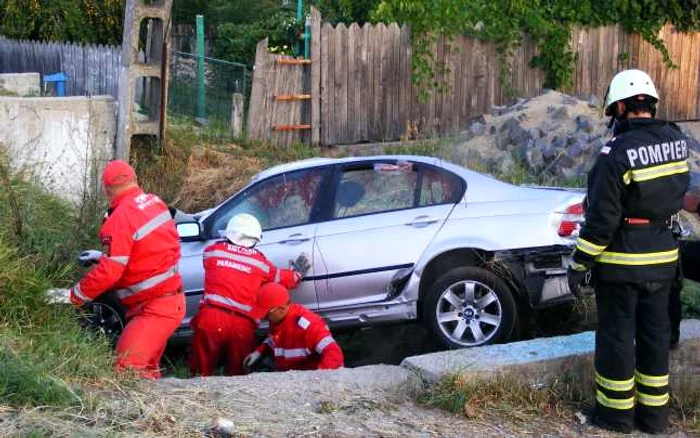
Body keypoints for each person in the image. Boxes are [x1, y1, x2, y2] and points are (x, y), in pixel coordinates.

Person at [567, 69, 690, 434]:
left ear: (621, 107)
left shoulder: (616, 153)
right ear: (650, 104)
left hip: (622, 264)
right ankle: (654, 419)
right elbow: (678, 192)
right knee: (654, 336)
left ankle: (615, 416)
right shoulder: (676, 140)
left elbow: (602, 219)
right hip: (664, 259)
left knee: (617, 337)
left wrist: (579, 263)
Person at [68, 159, 185, 379]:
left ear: (107, 189)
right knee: (146, 370)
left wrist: (74, 295)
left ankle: (146, 413)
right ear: (134, 179)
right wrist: (103, 256)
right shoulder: (154, 202)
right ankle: (155, 413)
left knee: (126, 368)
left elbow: (110, 272)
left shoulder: (119, 218)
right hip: (168, 303)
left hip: (155, 309)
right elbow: (147, 251)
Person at [189, 213, 311, 376]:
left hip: (211, 318)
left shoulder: (212, 252)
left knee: (199, 374)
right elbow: (281, 278)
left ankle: (199, 397)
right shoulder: (259, 262)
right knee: (238, 376)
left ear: (228, 233)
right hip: (242, 325)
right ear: (255, 240)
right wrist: (296, 274)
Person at [243, 282, 344, 372]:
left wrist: (317, 381)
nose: (264, 318)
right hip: (288, 374)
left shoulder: (309, 326)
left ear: (281, 309)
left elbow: (334, 354)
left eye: (266, 314)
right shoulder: (278, 320)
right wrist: (258, 352)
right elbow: (273, 339)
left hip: (306, 380)